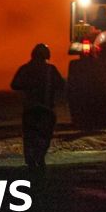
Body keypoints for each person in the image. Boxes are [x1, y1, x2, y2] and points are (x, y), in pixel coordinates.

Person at [11, 43, 66, 174]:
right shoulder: (51, 70)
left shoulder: (24, 69)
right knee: (45, 135)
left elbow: (14, 85)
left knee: (29, 136)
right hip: (46, 109)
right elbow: (62, 85)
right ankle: (40, 158)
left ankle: (31, 160)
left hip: (29, 109)